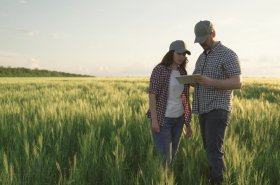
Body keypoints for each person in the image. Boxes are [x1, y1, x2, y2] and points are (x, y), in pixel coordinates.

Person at [192, 20, 242, 184]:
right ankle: (218, 176)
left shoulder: (228, 54)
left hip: (218, 108)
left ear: (213, 33)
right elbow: (196, 78)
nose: (201, 44)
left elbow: (237, 83)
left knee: (213, 149)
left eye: (204, 40)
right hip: (203, 109)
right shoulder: (201, 57)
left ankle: (217, 180)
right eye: (198, 41)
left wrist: (210, 82)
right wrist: (189, 80)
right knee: (210, 148)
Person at [146, 40, 193, 166]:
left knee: (172, 157)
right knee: (164, 159)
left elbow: (185, 98)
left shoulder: (183, 72)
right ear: (171, 53)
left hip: (179, 119)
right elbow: (152, 95)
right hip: (163, 120)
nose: (182, 57)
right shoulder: (159, 70)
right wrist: (154, 120)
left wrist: (187, 123)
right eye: (179, 53)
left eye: (184, 54)